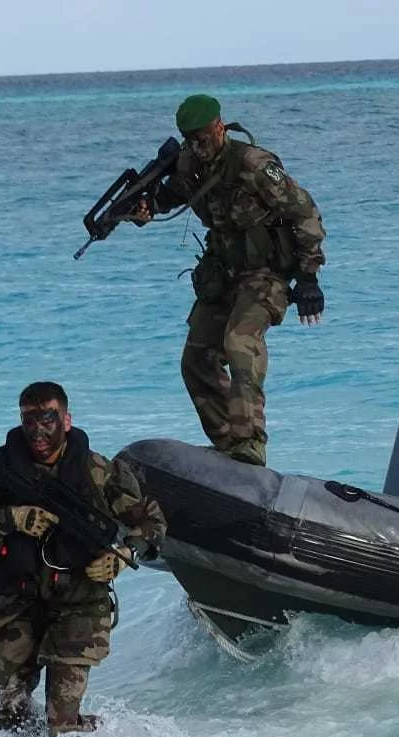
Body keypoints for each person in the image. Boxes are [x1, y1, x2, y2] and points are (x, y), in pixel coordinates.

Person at [0, 382, 167, 737]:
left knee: (61, 724)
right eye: (29, 420)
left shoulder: (97, 472)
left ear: (67, 420)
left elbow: (153, 522)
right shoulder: (3, 470)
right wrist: (9, 519)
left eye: (48, 419)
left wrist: (125, 554)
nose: (38, 430)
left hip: (80, 602)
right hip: (18, 600)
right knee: (5, 717)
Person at [132, 93, 327, 467]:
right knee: (196, 359)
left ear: (220, 127)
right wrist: (144, 208)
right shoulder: (190, 164)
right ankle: (228, 444)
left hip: (265, 274)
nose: (197, 147)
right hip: (223, 274)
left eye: (203, 138)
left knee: (240, 342)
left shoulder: (253, 165)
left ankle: (250, 442)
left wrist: (308, 277)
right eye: (190, 140)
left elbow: (305, 212)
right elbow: (169, 197)